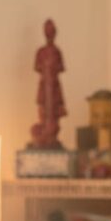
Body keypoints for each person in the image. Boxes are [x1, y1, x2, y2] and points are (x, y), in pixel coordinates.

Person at [31, 18, 68, 149]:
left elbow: (61, 67)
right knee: (43, 110)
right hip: (44, 85)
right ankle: (44, 135)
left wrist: (51, 68)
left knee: (55, 111)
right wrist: (46, 68)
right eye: (48, 31)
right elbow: (37, 67)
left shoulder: (57, 51)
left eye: (51, 31)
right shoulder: (40, 51)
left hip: (54, 86)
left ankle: (51, 136)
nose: (50, 33)